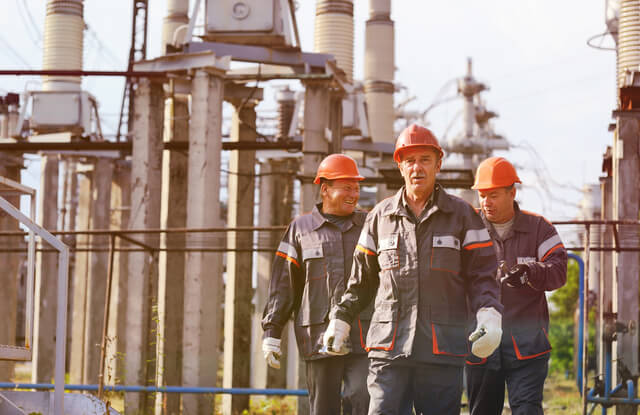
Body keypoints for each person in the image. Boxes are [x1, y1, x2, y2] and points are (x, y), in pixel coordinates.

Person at [323, 124, 503, 415]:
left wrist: (489, 313)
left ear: (438, 164)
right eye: (410, 161)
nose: (417, 168)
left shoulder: (463, 216)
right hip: (388, 349)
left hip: (441, 349)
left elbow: (482, 275)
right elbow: (361, 282)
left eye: (425, 160)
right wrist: (340, 318)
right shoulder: (379, 218)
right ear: (400, 166)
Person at [262, 153, 372, 415]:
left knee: (363, 398)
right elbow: (283, 285)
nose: (354, 194)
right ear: (325, 188)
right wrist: (272, 332)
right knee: (323, 408)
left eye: (356, 188)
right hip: (318, 337)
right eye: (347, 187)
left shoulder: (369, 225)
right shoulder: (301, 229)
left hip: (364, 336)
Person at [465, 156, 567, 415]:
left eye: (494, 195)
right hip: (482, 344)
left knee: (527, 410)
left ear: (513, 192)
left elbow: (558, 271)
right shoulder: (468, 227)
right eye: (482, 195)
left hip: (527, 345)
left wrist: (531, 272)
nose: (486, 202)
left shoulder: (539, 228)